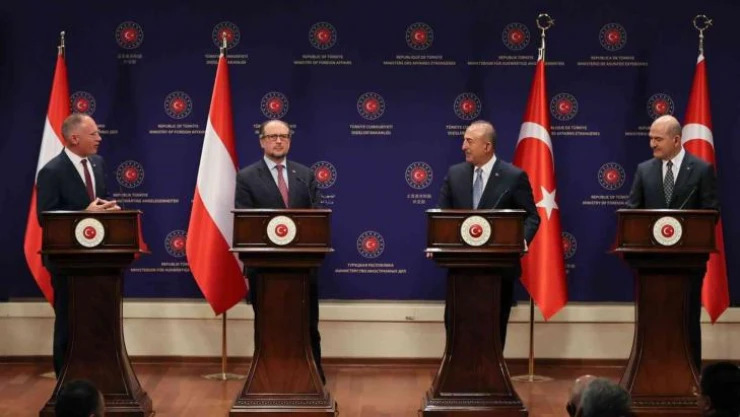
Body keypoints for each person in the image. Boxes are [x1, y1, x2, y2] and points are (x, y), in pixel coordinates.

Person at [625, 114, 719, 371]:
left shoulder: (701, 170)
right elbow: (632, 211)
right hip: (651, 264)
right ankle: (650, 372)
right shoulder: (644, 170)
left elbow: (712, 213)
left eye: (658, 139)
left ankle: (690, 374)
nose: (652, 144)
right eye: (650, 138)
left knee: (687, 320)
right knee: (653, 320)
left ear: (676, 140)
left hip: (688, 264)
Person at [436, 119, 540, 348]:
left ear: (487, 146)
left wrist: (520, 242)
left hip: (499, 271)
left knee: (492, 330)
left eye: (469, 141)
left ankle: (492, 369)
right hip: (461, 270)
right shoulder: (455, 174)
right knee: (457, 327)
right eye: (464, 141)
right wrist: (439, 242)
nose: (463, 146)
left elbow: (532, 217)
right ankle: (456, 367)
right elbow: (442, 216)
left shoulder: (513, 177)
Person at [234, 119, 324, 383]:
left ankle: (313, 378)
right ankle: (267, 379)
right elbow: (245, 222)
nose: (278, 141)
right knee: (268, 326)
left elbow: (317, 218)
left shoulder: (304, 175)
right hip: (264, 269)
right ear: (261, 141)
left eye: (283, 136)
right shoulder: (247, 177)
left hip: (302, 268)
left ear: (289, 141)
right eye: (272, 136)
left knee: (308, 325)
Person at [36, 113, 120, 377]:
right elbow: (45, 218)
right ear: (74, 138)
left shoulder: (97, 163)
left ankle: (100, 375)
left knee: (99, 321)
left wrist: (109, 207)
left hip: (100, 258)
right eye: (93, 133)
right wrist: (84, 213)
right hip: (67, 263)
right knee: (69, 322)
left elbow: (100, 199)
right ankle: (65, 380)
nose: (99, 138)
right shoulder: (52, 172)